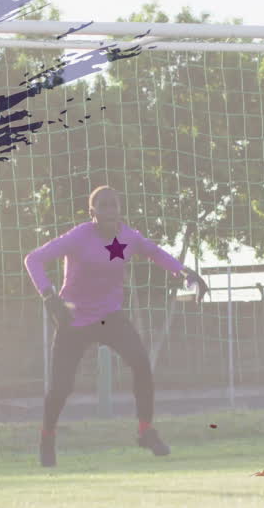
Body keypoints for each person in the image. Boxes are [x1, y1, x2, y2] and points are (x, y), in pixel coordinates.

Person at [23, 185, 209, 468]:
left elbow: (157, 254)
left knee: (141, 365)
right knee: (61, 387)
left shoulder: (128, 237)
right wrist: (49, 297)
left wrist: (186, 274)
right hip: (74, 319)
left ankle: (146, 431)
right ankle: (47, 439)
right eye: (104, 205)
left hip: (110, 316)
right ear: (92, 212)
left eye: (114, 205)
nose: (110, 210)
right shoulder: (78, 237)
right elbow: (33, 259)